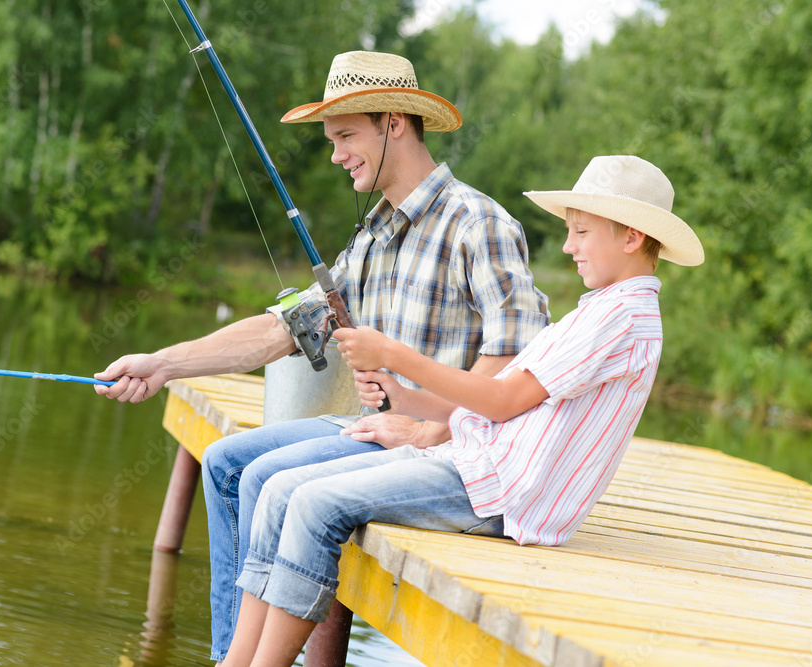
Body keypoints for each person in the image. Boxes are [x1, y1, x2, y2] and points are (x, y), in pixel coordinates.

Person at [93, 50, 550, 662]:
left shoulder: (477, 223)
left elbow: (517, 356)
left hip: (444, 447)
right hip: (375, 428)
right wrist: (164, 363)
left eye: (344, 136)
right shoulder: (373, 234)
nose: (335, 154)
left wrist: (430, 425)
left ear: (393, 122)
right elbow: (285, 329)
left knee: (262, 477)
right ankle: (234, 653)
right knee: (226, 461)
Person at [220, 155, 705, 666]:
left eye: (581, 232)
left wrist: (395, 355)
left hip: (499, 492)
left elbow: (503, 399)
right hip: (473, 464)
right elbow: (497, 404)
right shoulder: (603, 310)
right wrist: (407, 398)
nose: (567, 246)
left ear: (630, 237)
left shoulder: (624, 318)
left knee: (314, 505)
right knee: (277, 490)